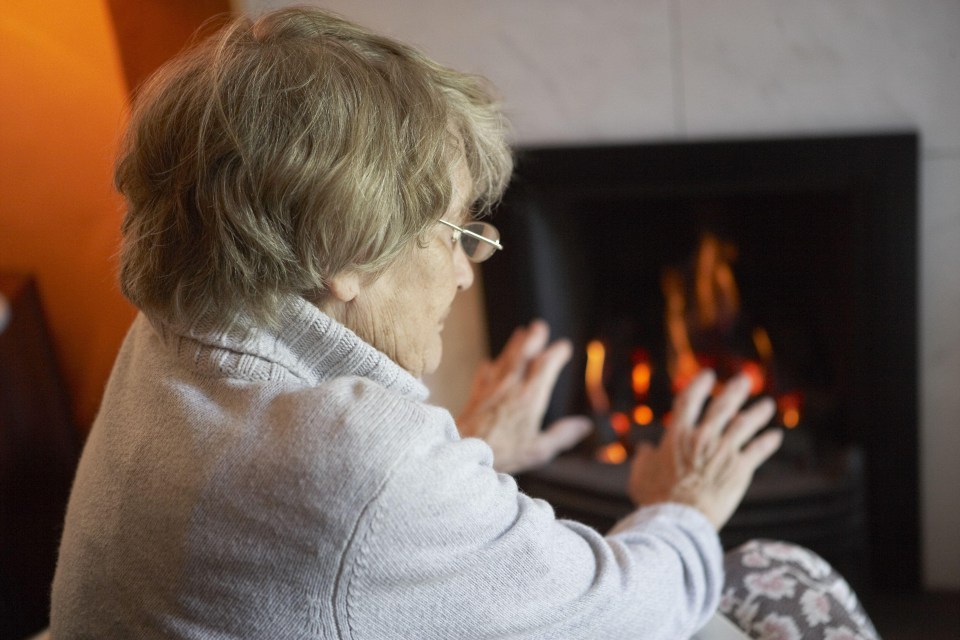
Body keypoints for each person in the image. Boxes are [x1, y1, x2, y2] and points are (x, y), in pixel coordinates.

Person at [50, 7, 878, 639]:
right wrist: (685, 502)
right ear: (343, 252)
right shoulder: (359, 460)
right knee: (783, 571)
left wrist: (462, 451)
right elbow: (625, 612)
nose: (467, 264)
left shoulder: (173, 332)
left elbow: (325, 536)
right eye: (452, 231)